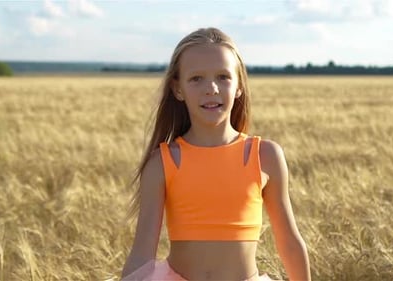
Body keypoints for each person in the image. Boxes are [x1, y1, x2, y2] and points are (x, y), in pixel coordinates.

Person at [121, 27, 311, 281]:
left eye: (223, 76)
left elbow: (289, 242)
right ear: (178, 89)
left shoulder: (264, 156)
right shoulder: (163, 163)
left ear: (239, 85)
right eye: (196, 78)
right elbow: (142, 254)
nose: (211, 88)